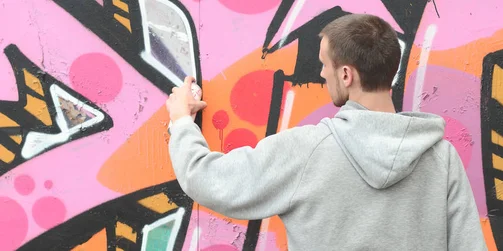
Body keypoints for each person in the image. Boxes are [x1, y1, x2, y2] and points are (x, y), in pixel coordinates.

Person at [166, 14, 486, 250]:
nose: (320, 73)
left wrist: (181, 121)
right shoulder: (441, 159)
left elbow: (207, 179)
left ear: (346, 74)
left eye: (324, 64)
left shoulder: (306, 150)